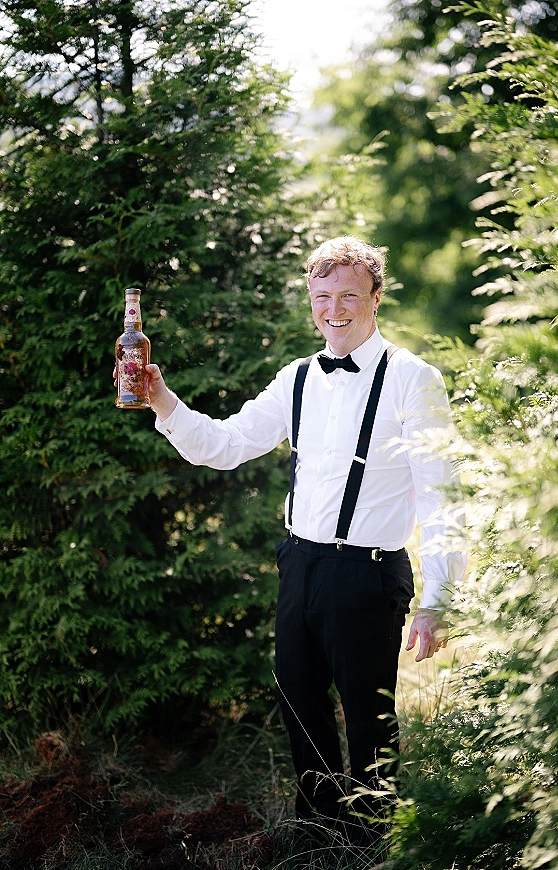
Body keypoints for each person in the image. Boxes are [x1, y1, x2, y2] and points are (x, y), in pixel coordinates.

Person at [139, 236, 465, 840]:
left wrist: (439, 599)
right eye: (323, 296)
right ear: (310, 302)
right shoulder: (297, 379)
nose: (334, 309)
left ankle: (373, 841)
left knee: (369, 722)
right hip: (300, 565)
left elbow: (442, 495)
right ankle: (319, 835)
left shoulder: (414, 380)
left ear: (375, 299)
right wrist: (160, 397)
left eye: (348, 295)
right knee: (301, 706)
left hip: (369, 571)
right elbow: (227, 445)